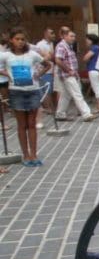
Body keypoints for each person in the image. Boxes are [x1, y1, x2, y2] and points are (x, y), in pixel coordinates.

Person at [0, 27, 51, 166]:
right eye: (17, 39)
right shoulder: (5, 56)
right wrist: (7, 75)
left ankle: (34, 154)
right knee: (21, 125)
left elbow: (47, 64)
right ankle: (26, 155)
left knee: (32, 124)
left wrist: (38, 75)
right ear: (11, 40)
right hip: (16, 91)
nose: (20, 42)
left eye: (22, 39)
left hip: (32, 90)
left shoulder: (32, 54)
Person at [54, 29, 96, 122]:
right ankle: (86, 114)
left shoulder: (69, 46)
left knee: (66, 95)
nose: (73, 38)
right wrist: (68, 70)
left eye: (74, 36)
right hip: (67, 74)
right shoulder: (62, 46)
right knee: (77, 93)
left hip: (70, 74)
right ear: (65, 36)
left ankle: (60, 114)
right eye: (71, 36)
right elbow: (58, 60)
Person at [33, 27, 56, 119]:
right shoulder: (40, 44)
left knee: (50, 90)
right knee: (46, 90)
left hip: (51, 70)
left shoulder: (52, 44)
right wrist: (49, 56)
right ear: (46, 34)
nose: (53, 35)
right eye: (51, 33)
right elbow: (40, 57)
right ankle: (48, 108)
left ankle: (50, 107)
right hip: (44, 70)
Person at [82, 33, 99, 105]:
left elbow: (85, 58)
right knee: (98, 88)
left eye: (87, 40)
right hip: (98, 70)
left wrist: (87, 60)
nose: (86, 42)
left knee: (97, 89)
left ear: (91, 41)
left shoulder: (94, 48)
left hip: (93, 70)